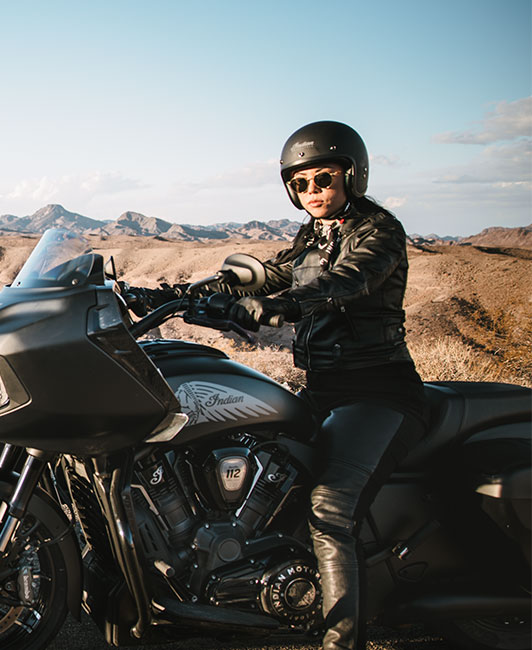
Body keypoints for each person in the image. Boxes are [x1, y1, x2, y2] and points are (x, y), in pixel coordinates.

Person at [219, 121, 428, 650]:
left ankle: (342, 642)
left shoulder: (379, 231)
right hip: (323, 388)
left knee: (330, 511)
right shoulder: (312, 236)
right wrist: (189, 292)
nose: (312, 191)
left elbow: (349, 279)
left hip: (378, 391)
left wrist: (285, 305)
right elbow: (274, 274)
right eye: (301, 183)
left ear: (352, 176)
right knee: (266, 473)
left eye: (324, 178)